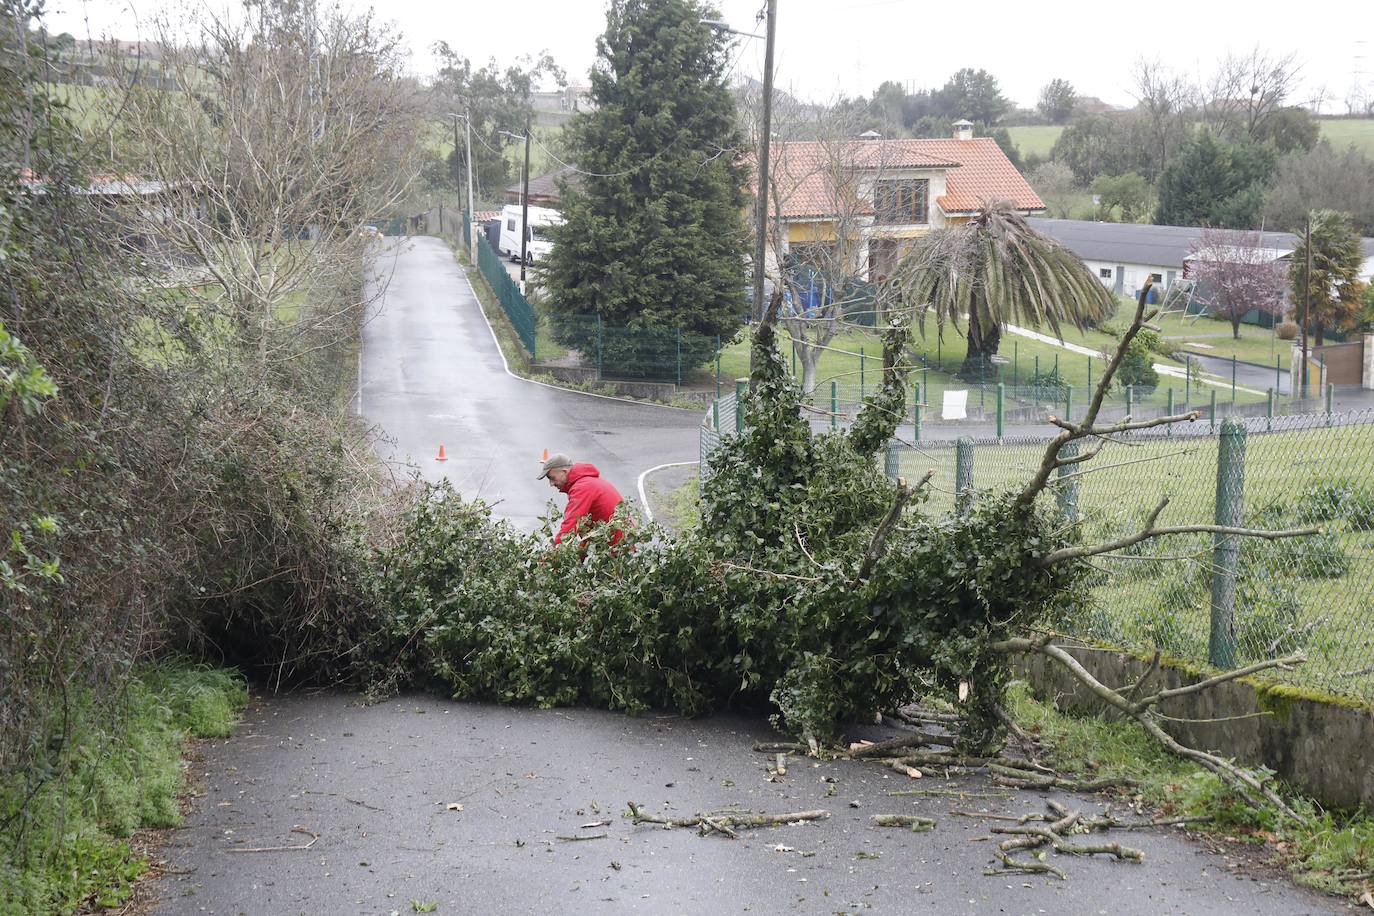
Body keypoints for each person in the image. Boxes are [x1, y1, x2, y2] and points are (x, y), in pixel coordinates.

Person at [538, 453, 626, 547]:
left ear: (564, 472)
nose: (551, 484)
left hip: (617, 548)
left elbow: (570, 527)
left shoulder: (582, 488)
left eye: (552, 478)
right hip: (617, 543)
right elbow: (586, 530)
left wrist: (552, 556)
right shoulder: (586, 481)